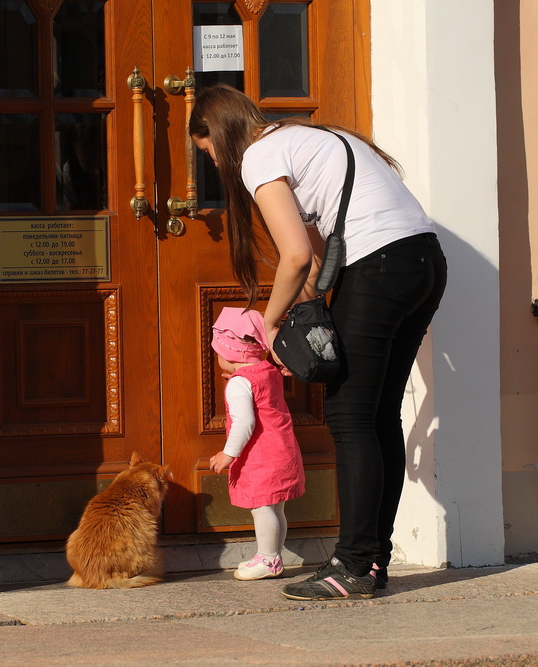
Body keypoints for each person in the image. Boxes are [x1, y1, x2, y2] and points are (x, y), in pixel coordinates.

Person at [189, 84, 447, 601]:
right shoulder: (306, 137)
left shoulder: (258, 155)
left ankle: (354, 566)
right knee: (376, 416)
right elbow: (313, 261)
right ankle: (369, 561)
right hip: (424, 262)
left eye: (208, 151)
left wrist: (266, 324)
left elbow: (295, 259)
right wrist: (293, 339)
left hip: (377, 268)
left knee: (351, 418)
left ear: (216, 135)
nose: (214, 162)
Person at [208, 307, 306, 581]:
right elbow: (259, 393)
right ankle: (272, 554)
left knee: (262, 507)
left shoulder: (239, 384)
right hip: (281, 448)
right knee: (275, 507)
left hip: (260, 456)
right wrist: (241, 379)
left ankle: (268, 559)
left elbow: (244, 422)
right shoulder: (266, 371)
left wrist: (228, 453)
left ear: (231, 353)